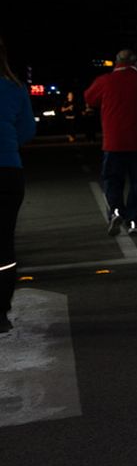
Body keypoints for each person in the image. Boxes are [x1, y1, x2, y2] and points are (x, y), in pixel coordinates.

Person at [84, 49, 137, 236]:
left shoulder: (105, 81)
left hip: (114, 141)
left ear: (116, 62)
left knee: (112, 180)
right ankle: (134, 222)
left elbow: (89, 98)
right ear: (135, 62)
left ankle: (116, 211)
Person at [1, 37, 35, 336]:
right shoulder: (15, 88)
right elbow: (27, 130)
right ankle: (0, 312)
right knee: (4, 243)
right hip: (8, 171)